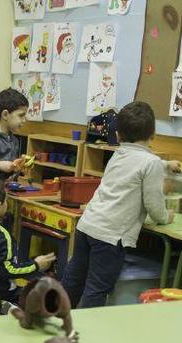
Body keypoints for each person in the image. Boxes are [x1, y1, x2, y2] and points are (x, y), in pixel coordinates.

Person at [62, 101, 179, 308]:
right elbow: (153, 203)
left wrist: (165, 164)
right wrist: (164, 217)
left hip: (87, 226)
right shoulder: (149, 163)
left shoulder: (118, 153)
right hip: (110, 236)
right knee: (96, 289)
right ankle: (82, 335)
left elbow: (136, 162)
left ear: (118, 135)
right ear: (153, 134)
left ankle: (54, 317)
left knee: (73, 281)